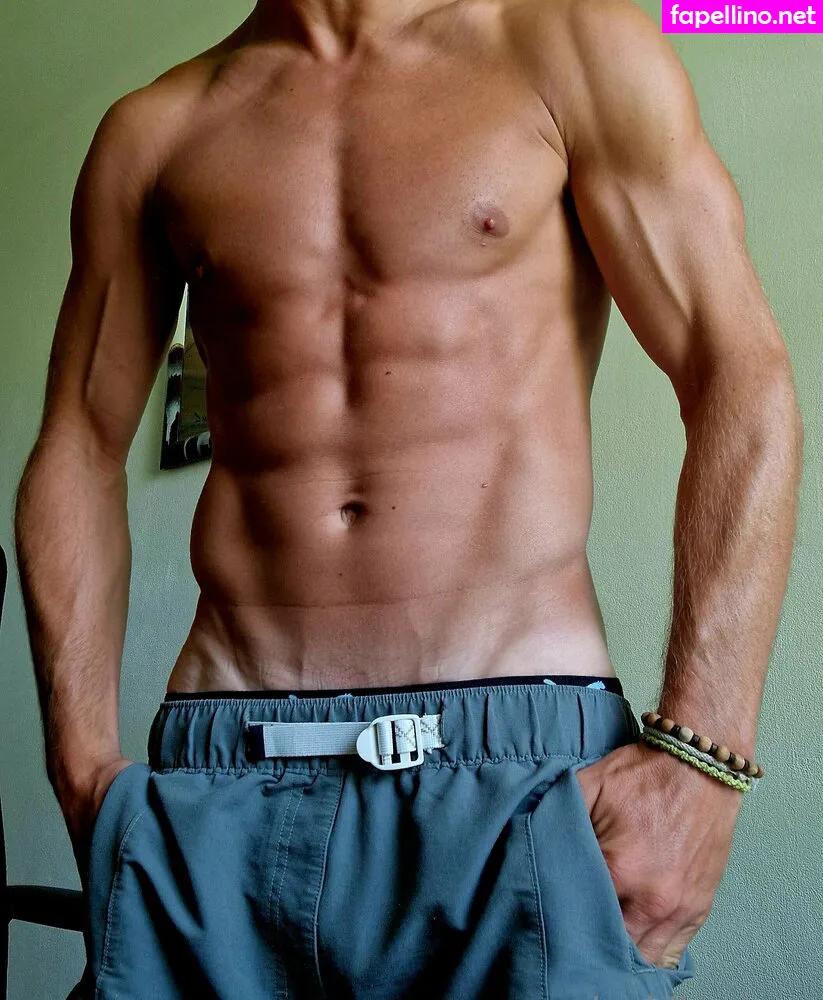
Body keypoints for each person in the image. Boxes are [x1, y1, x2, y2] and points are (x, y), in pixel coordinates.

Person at [14, 0, 803, 996]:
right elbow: (78, 449)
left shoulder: (568, 48)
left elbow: (737, 374)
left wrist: (703, 765)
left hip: (522, 771)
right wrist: (81, 768)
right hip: (220, 767)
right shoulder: (157, 131)